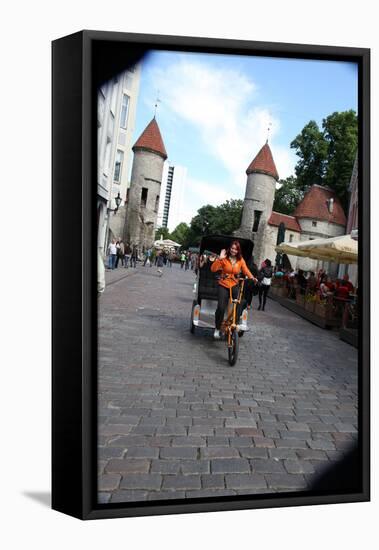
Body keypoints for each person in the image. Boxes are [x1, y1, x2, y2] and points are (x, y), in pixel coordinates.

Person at [210, 241, 257, 340]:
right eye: (232, 248)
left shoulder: (240, 260)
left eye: (236, 249)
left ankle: (234, 324)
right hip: (223, 284)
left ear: (238, 250)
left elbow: (246, 270)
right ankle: (217, 328)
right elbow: (213, 269)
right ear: (229, 248)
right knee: (221, 307)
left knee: (240, 302)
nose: (233, 250)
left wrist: (252, 277)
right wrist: (220, 258)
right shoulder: (224, 259)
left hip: (234, 285)